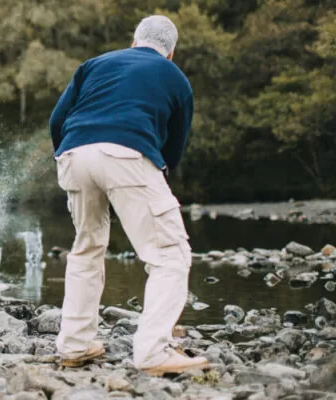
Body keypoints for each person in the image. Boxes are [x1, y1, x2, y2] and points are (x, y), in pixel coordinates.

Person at [49, 16, 208, 375]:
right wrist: (153, 174)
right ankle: (153, 352)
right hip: (127, 154)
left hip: (73, 153)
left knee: (87, 248)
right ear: (171, 52)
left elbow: (57, 120)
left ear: (134, 41)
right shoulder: (175, 77)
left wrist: (70, 154)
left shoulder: (95, 64)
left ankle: (75, 344)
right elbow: (174, 147)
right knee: (170, 255)